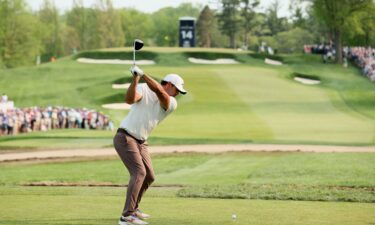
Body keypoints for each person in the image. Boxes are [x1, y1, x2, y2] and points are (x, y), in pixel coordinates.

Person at [113, 65, 187, 225]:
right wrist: (135, 80)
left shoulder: (171, 102)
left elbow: (160, 92)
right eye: (177, 90)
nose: (177, 94)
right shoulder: (144, 88)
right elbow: (129, 99)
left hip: (141, 141)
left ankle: (134, 208)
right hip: (125, 136)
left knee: (149, 176)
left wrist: (143, 74)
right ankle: (127, 216)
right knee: (139, 173)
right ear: (170, 84)